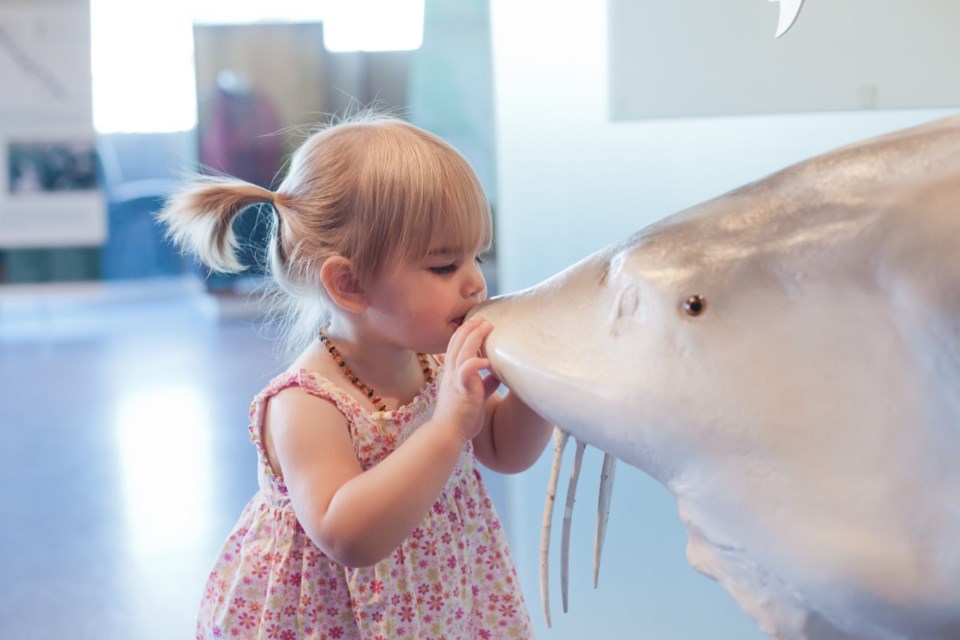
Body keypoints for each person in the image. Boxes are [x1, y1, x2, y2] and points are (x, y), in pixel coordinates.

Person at [157, 113, 553, 639]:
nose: (476, 282)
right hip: (339, 617)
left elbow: (505, 450)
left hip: (439, 607)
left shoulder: (432, 360)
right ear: (349, 284)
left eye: (476, 255)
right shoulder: (307, 404)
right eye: (443, 266)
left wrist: (542, 383)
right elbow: (348, 537)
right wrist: (447, 428)